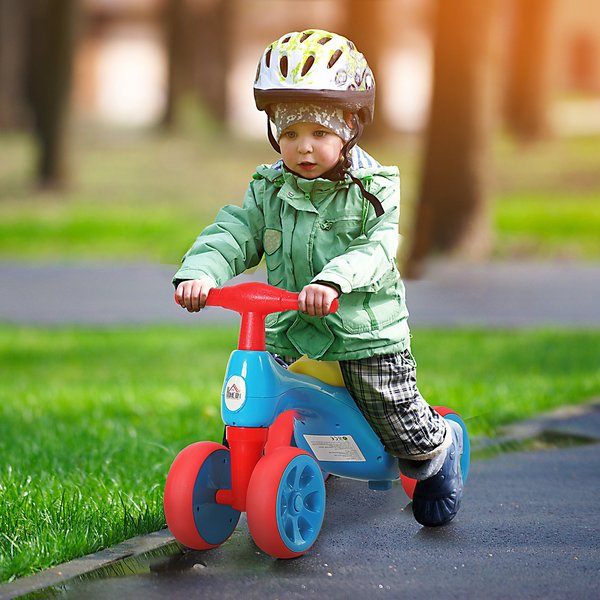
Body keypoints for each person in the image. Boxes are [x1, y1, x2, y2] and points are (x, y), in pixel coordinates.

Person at [173, 29, 464, 527]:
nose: (303, 148)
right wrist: (201, 272)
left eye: (319, 133)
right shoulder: (268, 188)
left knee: (396, 422)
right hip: (291, 330)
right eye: (289, 134)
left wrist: (333, 282)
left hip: (361, 333)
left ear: (351, 127)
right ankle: (244, 466)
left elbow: (377, 248)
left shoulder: (374, 189)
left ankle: (440, 449)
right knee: (259, 402)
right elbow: (234, 232)